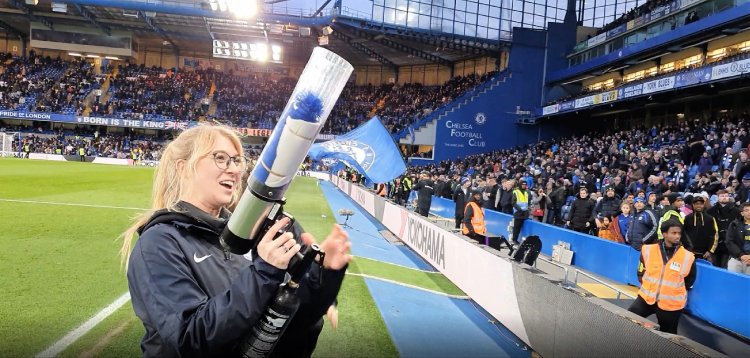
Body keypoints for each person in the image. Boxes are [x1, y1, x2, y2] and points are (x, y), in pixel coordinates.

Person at [120, 125, 352, 357]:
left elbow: (289, 321)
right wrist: (264, 274)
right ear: (183, 168)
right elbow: (190, 340)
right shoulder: (159, 243)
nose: (234, 170)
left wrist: (324, 276)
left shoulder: (247, 232)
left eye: (237, 160)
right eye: (220, 158)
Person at [629, 221, 696, 334]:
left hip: (671, 304)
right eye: (673, 233)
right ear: (664, 234)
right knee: (628, 318)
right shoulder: (648, 250)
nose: (677, 236)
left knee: (669, 335)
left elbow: (689, 280)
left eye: (679, 233)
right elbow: (641, 268)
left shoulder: (688, 257)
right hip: (647, 298)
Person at [707, 189, 741, 268]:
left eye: (726, 196)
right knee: (715, 267)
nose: (724, 197)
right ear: (718, 197)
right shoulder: (710, 211)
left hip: (729, 243)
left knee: (725, 267)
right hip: (714, 244)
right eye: (722, 196)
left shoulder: (736, 211)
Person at [683, 195, 718, 264]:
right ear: (693, 205)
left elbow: (715, 235)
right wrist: (685, 248)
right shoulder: (687, 218)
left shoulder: (710, 219)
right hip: (689, 252)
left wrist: (710, 251)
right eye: (696, 204)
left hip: (704, 254)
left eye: (701, 204)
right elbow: (683, 234)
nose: (699, 206)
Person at [725, 202, 750, 275]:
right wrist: (741, 255)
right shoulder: (734, 224)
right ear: (742, 213)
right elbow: (729, 241)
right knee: (732, 284)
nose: (749, 212)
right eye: (746, 210)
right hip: (736, 260)